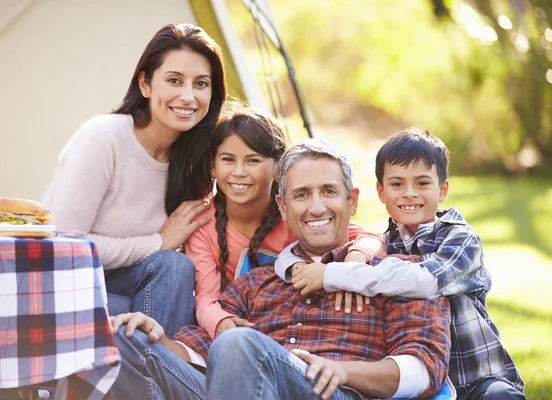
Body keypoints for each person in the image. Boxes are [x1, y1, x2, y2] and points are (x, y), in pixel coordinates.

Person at [109, 139, 452, 400]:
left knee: (238, 343)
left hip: (333, 392)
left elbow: (424, 368)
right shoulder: (257, 283)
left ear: (352, 201)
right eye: (301, 195)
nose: (316, 207)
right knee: (123, 341)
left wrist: (341, 372)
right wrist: (154, 337)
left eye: (329, 192)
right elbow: (196, 350)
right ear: (283, 207)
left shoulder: (397, 275)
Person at [276, 129, 525, 400]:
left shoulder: (461, 239)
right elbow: (330, 246)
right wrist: (292, 267)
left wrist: (336, 274)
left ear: (442, 189)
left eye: (421, 183)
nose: (409, 194)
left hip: (476, 377)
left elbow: (425, 281)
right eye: (397, 185)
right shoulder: (384, 242)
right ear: (381, 192)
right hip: (425, 381)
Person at [43, 23, 227, 336]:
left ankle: (150, 374)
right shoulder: (104, 138)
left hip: (136, 291)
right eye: (174, 80)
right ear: (145, 83)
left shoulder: (199, 159)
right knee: (165, 280)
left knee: (175, 271)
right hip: (63, 286)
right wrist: (156, 243)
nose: (188, 96)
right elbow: (63, 243)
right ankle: (159, 377)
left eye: (201, 84)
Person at [185, 104, 383, 339]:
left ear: (278, 170)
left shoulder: (294, 211)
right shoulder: (203, 226)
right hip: (241, 323)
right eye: (228, 159)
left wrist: (355, 258)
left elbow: (368, 237)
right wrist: (220, 322)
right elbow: (205, 297)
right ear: (212, 165)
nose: (239, 171)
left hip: (295, 320)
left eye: (252, 160)